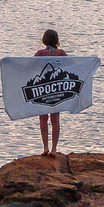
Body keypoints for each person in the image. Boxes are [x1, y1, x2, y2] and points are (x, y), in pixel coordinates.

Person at [33, 28, 68, 157]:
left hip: (42, 89)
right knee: (55, 119)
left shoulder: (40, 53)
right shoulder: (62, 53)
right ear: (56, 40)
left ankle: (45, 147)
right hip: (57, 89)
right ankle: (54, 148)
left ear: (44, 40)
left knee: (43, 118)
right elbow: (69, 68)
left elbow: (31, 67)